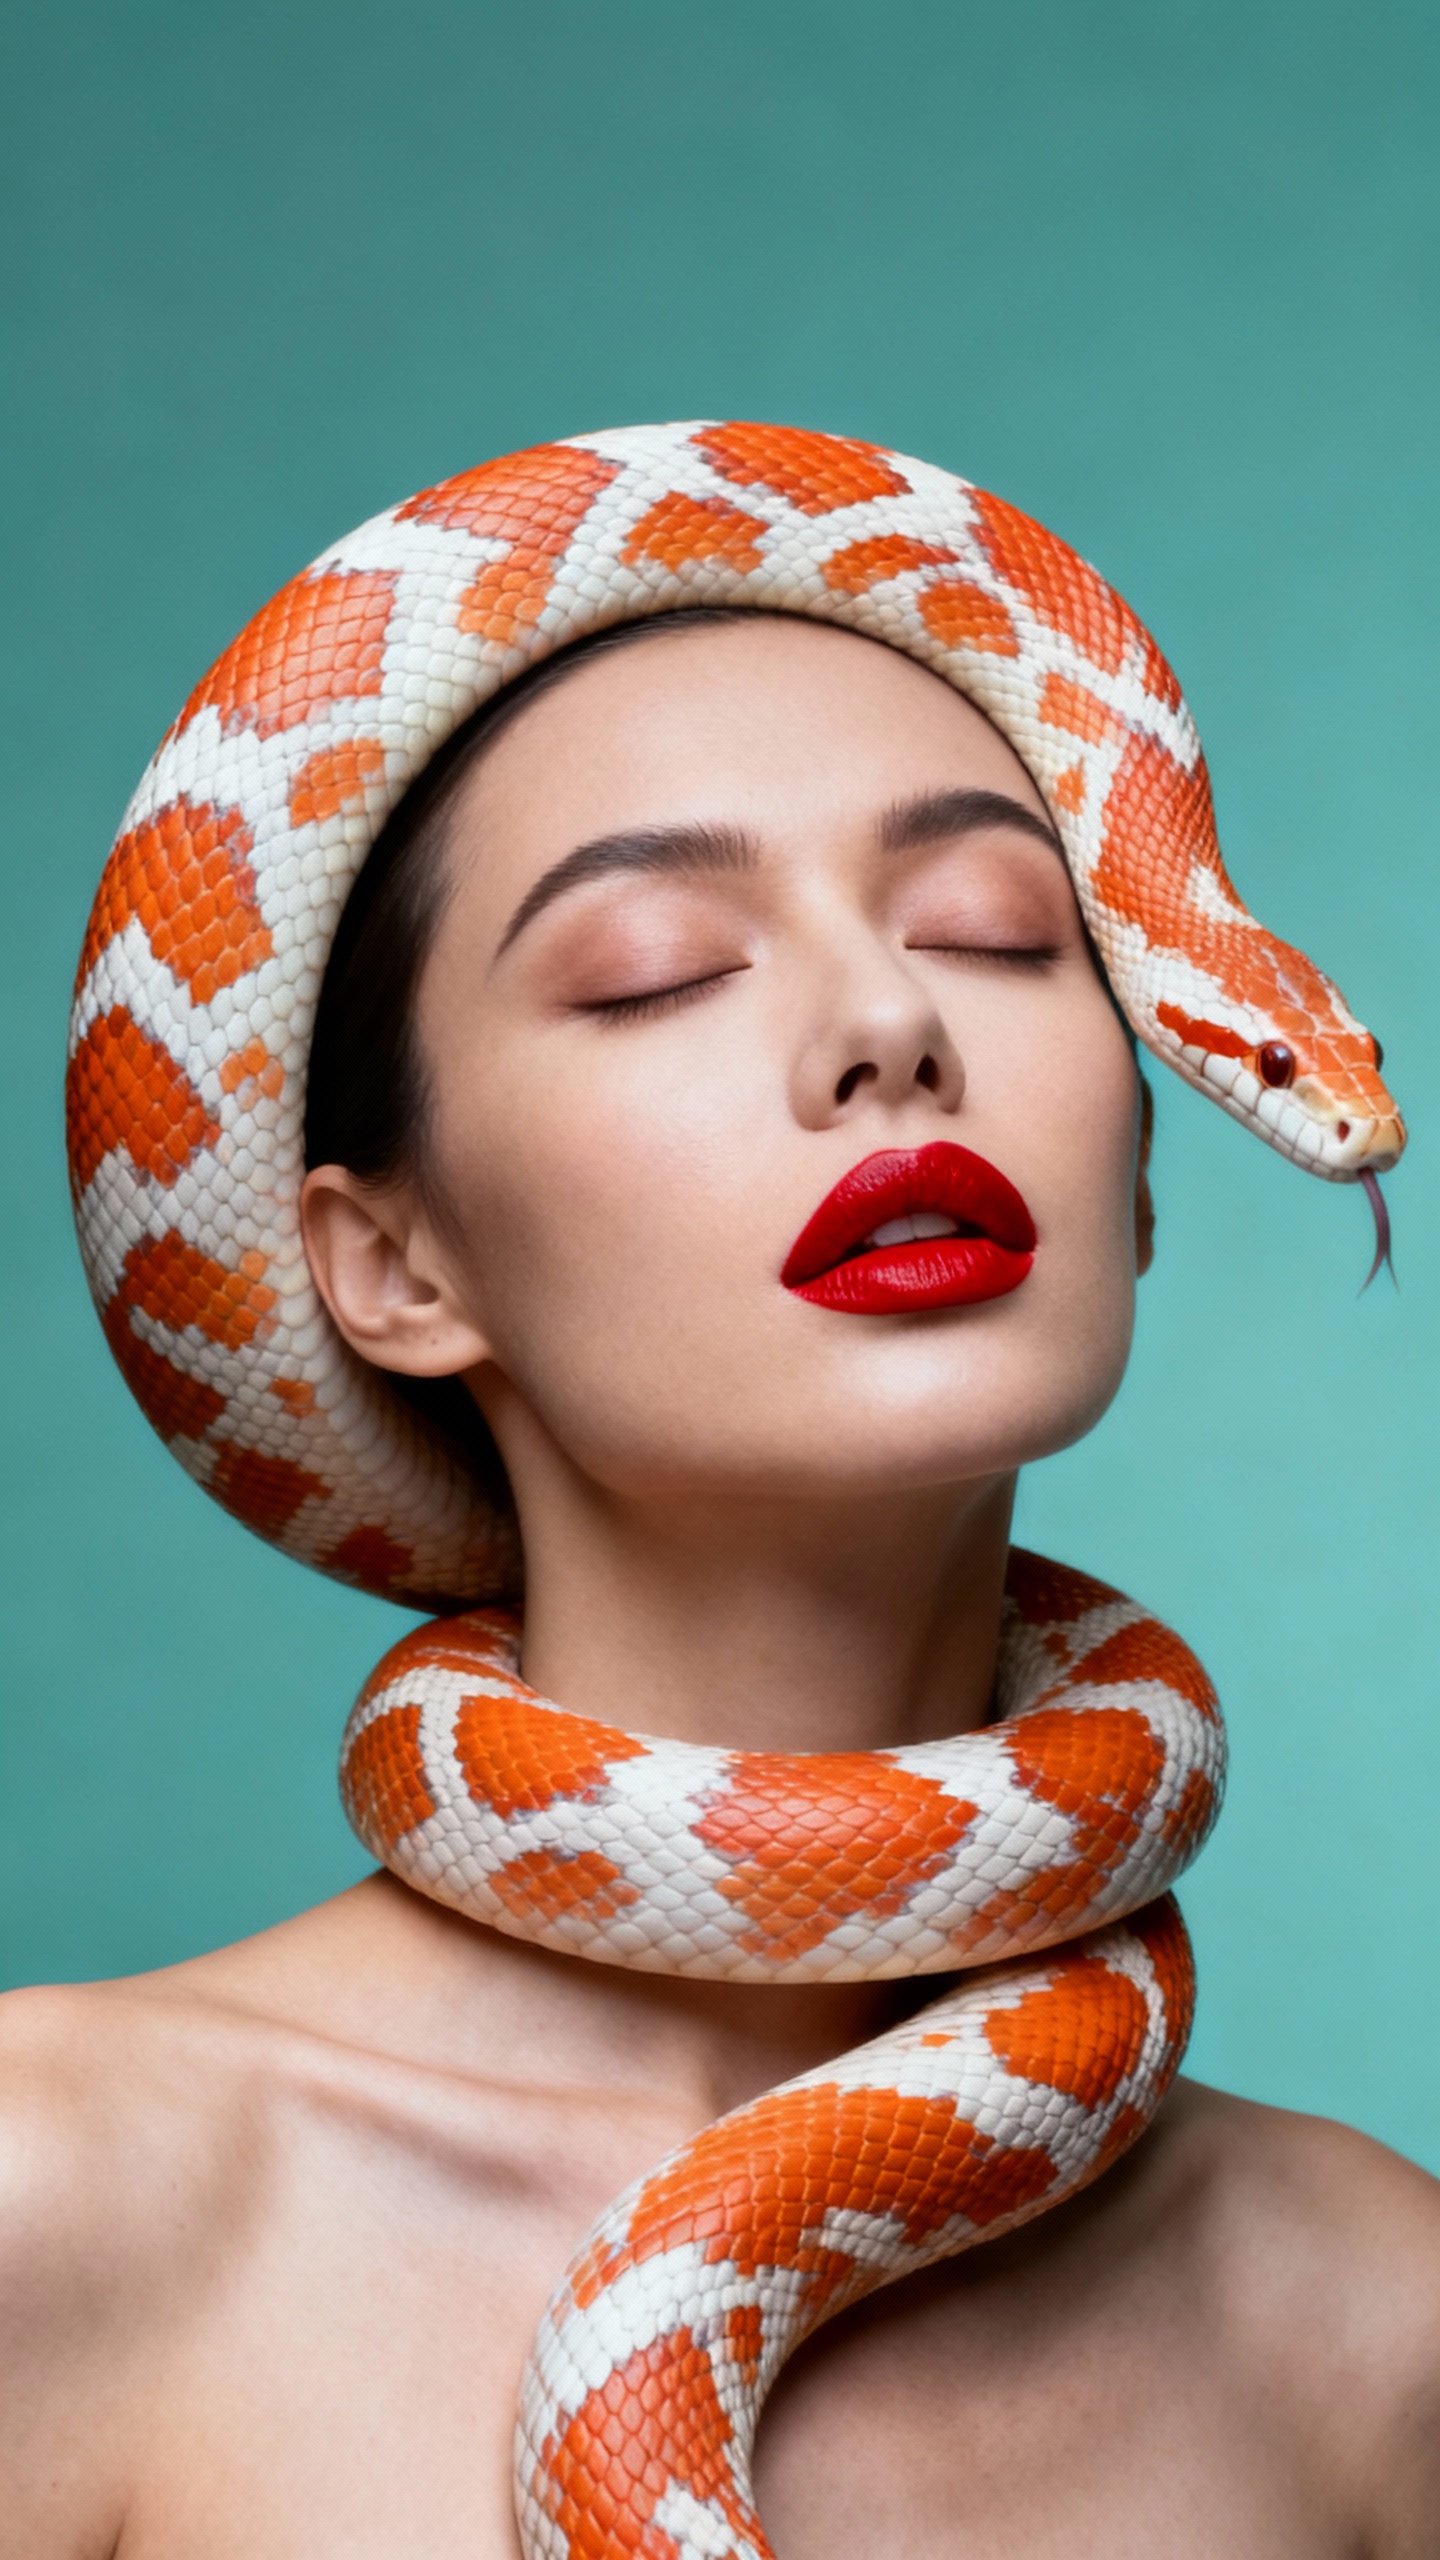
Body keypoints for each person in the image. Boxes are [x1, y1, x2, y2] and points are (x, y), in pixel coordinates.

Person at [4, 433, 1438, 2558]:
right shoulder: (60, 2195)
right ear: (395, 1265)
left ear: (1139, 1171)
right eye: (656, 965)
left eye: (1003, 932)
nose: (887, 1025)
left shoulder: (1377, 2311)